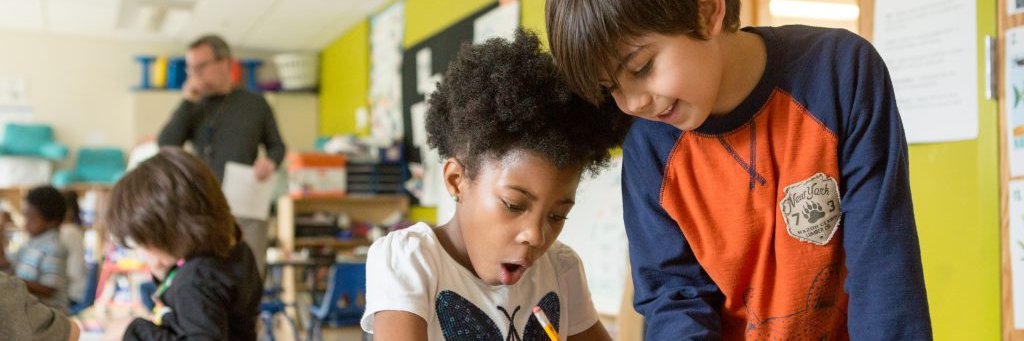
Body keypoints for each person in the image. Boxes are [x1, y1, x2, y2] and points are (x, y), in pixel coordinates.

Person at [544, 0, 932, 339]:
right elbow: (675, 300)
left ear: (708, 10)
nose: (632, 103)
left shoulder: (841, 73)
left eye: (642, 67)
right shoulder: (648, 148)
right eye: (610, 88)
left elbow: (883, 271)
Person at [360, 29, 631, 341]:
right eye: (514, 205)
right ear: (456, 180)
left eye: (557, 216)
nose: (536, 235)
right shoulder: (410, 260)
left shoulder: (560, 268)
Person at [157, 34, 286, 276]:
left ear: (226, 63)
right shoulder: (193, 107)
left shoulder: (255, 104)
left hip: (247, 205)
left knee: (249, 276)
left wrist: (270, 162)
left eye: (201, 67)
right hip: (204, 207)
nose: (194, 74)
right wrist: (186, 102)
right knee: (207, 276)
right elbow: (166, 144)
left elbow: (277, 147)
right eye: (190, 68)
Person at [104, 148, 260, 341]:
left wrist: (133, 331)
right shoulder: (237, 250)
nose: (142, 252)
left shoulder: (194, 281)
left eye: (143, 242)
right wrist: (167, 273)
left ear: (168, 232)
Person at [0, 186, 70, 312]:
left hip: (51, 318)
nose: (26, 223)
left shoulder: (54, 248)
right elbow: (4, 263)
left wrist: (13, 280)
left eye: (31, 219)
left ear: (52, 221)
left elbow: (48, 289)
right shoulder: (31, 243)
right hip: (32, 313)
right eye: (25, 217)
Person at [0, 271, 80, 340]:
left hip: (51, 313)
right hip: (46, 320)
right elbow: (70, 332)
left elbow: (50, 289)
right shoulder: (6, 289)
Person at [59, 190, 88, 307]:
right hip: (76, 291)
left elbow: (73, 271)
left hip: (71, 294)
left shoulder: (67, 232)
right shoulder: (74, 230)